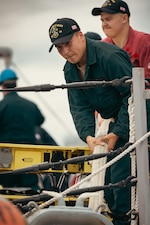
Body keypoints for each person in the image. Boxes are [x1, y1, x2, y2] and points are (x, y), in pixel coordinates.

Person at [48, 17, 133, 225]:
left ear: (80, 35)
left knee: (121, 189)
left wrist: (117, 132)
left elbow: (133, 98)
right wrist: (88, 137)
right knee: (108, 190)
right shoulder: (70, 69)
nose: (65, 51)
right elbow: (79, 107)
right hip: (113, 125)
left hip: (135, 120)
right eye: (59, 47)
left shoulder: (109, 57)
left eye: (68, 43)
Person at [0, 68, 44, 191]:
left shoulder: (1, 106)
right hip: (28, 154)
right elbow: (40, 120)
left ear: (2, 85)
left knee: (6, 188)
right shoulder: (30, 105)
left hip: (5, 154)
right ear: (15, 83)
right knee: (31, 188)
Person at [91, 0, 150, 79]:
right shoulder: (102, 47)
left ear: (124, 18)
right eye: (102, 20)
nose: (104, 24)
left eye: (108, 19)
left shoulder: (145, 42)